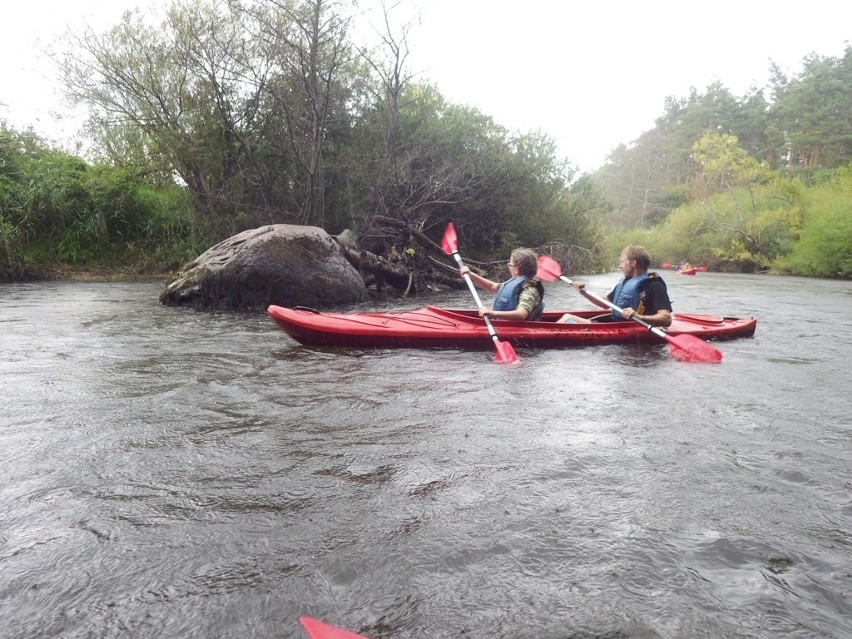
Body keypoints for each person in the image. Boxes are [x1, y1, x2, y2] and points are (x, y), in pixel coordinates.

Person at [557, 245, 672, 327]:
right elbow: (605, 303)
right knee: (568, 317)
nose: (620, 266)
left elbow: (666, 319)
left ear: (633, 263)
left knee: (568, 318)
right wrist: (583, 292)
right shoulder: (626, 281)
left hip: (630, 328)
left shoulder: (654, 285)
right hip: (616, 323)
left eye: (622, 261)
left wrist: (638, 317)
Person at [459, 248, 544, 321]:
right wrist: (470, 274)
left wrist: (493, 313)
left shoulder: (528, 290)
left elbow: (521, 314)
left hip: (520, 332)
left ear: (517, 270)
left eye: (510, 264)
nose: (508, 267)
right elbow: (492, 287)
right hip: (504, 325)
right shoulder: (514, 282)